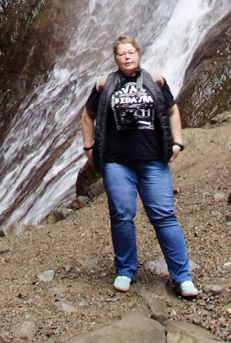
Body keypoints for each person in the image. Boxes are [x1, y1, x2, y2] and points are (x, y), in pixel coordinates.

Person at [81, 33, 198, 298]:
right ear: (115, 58)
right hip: (116, 162)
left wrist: (177, 142)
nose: (126, 57)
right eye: (121, 53)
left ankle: (183, 277)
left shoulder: (155, 81)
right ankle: (125, 270)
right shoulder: (103, 85)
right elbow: (88, 116)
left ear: (138, 54)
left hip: (153, 160)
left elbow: (172, 111)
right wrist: (89, 148)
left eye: (130, 52)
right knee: (121, 215)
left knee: (164, 216)